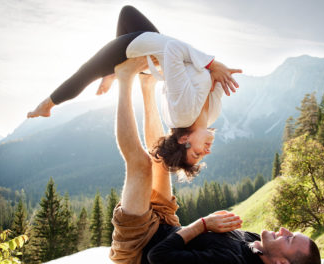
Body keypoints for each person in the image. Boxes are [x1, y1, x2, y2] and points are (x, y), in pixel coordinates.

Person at [109, 57, 321, 264]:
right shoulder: (258, 243)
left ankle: (125, 78)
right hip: (168, 224)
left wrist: (203, 224)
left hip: (139, 246)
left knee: (142, 166)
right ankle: (147, 84)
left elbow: (157, 257)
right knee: (160, 160)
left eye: (289, 238)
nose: (283, 230)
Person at [27, 5, 242, 179]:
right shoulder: (210, 115)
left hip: (137, 47)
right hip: (155, 50)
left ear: (183, 138)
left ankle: (47, 105)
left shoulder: (184, 113)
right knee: (127, 13)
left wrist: (212, 63)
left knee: (86, 72)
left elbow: (174, 51)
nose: (207, 151)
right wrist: (215, 72)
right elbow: (217, 81)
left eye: (196, 153)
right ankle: (111, 71)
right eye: (201, 155)